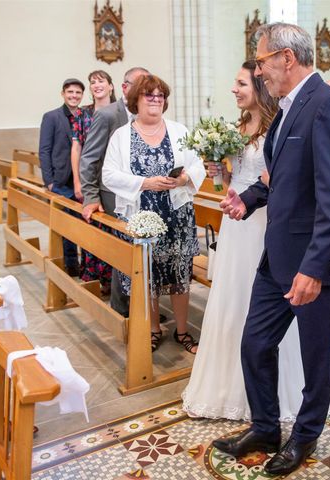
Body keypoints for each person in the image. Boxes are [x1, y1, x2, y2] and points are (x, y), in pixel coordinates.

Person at [212, 23, 330, 476]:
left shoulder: (328, 105)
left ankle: (306, 435)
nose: (259, 72)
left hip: (315, 264)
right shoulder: (289, 108)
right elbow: (281, 175)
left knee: (317, 357)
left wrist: (314, 268)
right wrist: (248, 199)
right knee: (255, 342)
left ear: (286, 59)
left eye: (262, 61)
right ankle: (265, 426)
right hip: (277, 258)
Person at [182, 60, 304, 420]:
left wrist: (241, 190)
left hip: (261, 220)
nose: (234, 90)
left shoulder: (273, 126)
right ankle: (227, 380)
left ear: (259, 88)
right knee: (231, 293)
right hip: (234, 216)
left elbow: (270, 177)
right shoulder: (238, 125)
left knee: (258, 296)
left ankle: (270, 389)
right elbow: (230, 180)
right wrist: (220, 172)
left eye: (241, 84)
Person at [102, 75, 206, 354]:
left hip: (177, 215)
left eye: (160, 95)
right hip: (141, 217)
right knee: (147, 274)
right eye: (149, 95)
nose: (156, 100)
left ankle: (183, 331)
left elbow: (198, 166)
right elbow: (108, 175)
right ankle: (153, 329)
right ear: (136, 99)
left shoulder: (179, 131)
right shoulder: (122, 136)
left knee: (179, 273)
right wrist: (145, 183)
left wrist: (184, 179)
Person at [80, 66, 149, 316]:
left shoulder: (147, 113)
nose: (146, 93)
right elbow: (88, 158)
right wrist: (90, 196)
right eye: (140, 87)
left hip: (139, 193)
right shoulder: (109, 115)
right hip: (112, 196)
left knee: (139, 250)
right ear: (124, 87)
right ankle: (123, 310)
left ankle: (142, 307)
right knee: (124, 253)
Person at [70, 70, 116, 293]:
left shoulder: (121, 111)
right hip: (91, 177)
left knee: (112, 230)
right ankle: (95, 278)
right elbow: (77, 148)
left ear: (111, 86)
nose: (96, 85)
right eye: (92, 82)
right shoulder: (83, 113)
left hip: (113, 178)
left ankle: (113, 280)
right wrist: (78, 182)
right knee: (93, 227)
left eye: (101, 81)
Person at [39, 78, 84, 277]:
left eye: (77, 93)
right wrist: (49, 180)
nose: (74, 96)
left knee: (84, 222)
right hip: (61, 180)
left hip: (82, 178)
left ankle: (86, 264)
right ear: (63, 94)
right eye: (70, 92)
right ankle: (71, 264)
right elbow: (44, 150)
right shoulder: (52, 117)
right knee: (68, 223)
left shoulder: (86, 116)